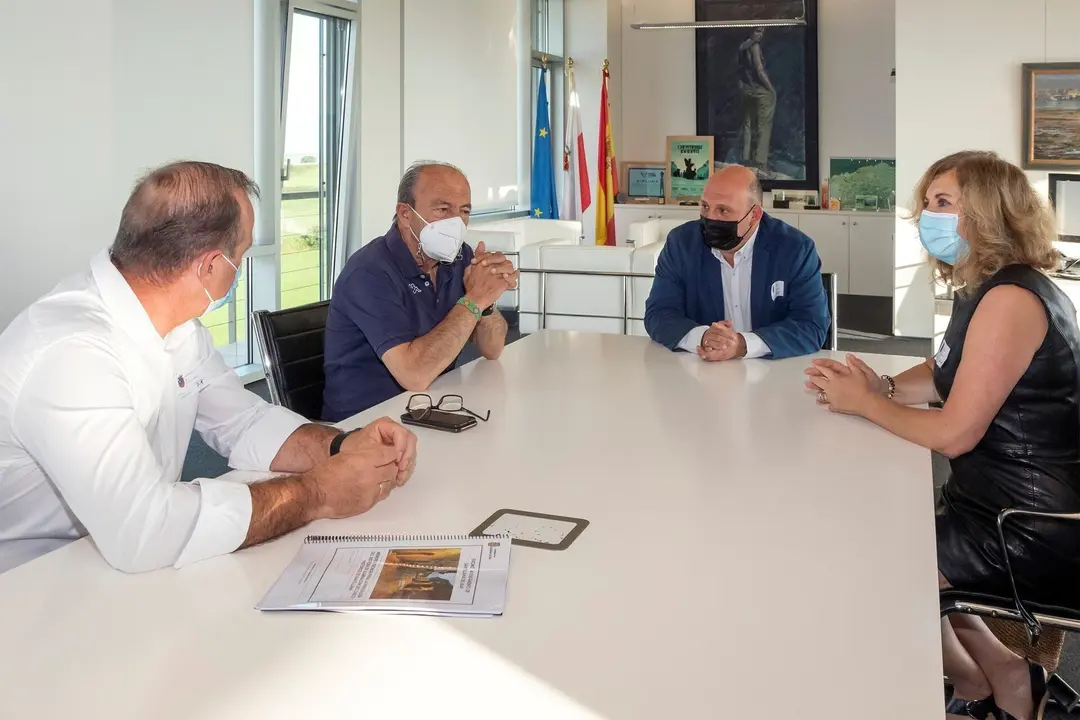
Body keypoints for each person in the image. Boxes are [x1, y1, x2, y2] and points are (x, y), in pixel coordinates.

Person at [0, 161, 418, 575]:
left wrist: (342, 447)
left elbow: (243, 422)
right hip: (30, 585)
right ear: (209, 266)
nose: (242, 268)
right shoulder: (72, 355)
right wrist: (318, 492)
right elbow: (144, 531)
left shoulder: (179, 327)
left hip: (111, 565)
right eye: (242, 255)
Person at [805, 151, 1079, 720]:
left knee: (879, 564)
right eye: (928, 203)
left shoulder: (1011, 300)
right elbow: (941, 371)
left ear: (987, 212)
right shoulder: (985, 286)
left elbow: (954, 433)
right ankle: (989, 676)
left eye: (943, 203)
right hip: (990, 499)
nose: (928, 216)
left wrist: (866, 405)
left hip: (1029, 526)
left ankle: (994, 674)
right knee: (885, 532)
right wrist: (877, 385)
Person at [322, 161, 518, 422]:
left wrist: (487, 301)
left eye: (464, 211)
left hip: (430, 407)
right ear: (405, 214)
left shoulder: (460, 257)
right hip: (365, 425)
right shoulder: (369, 272)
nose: (456, 223)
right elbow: (414, 375)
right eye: (442, 209)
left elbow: (492, 349)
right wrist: (474, 299)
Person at [644, 164, 829, 361]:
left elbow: (811, 325)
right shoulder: (681, 244)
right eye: (706, 207)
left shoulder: (795, 249)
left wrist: (741, 345)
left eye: (723, 210)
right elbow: (659, 313)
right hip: (701, 369)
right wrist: (704, 337)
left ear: (754, 215)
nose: (711, 218)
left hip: (773, 372)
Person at [737, 27, 776, 170]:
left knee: (748, 124)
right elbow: (759, 70)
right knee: (764, 124)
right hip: (759, 89)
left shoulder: (742, 46)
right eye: (758, 31)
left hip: (747, 89)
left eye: (762, 32)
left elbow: (741, 69)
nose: (760, 35)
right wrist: (771, 88)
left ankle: (746, 158)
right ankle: (760, 161)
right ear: (751, 31)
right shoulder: (755, 46)